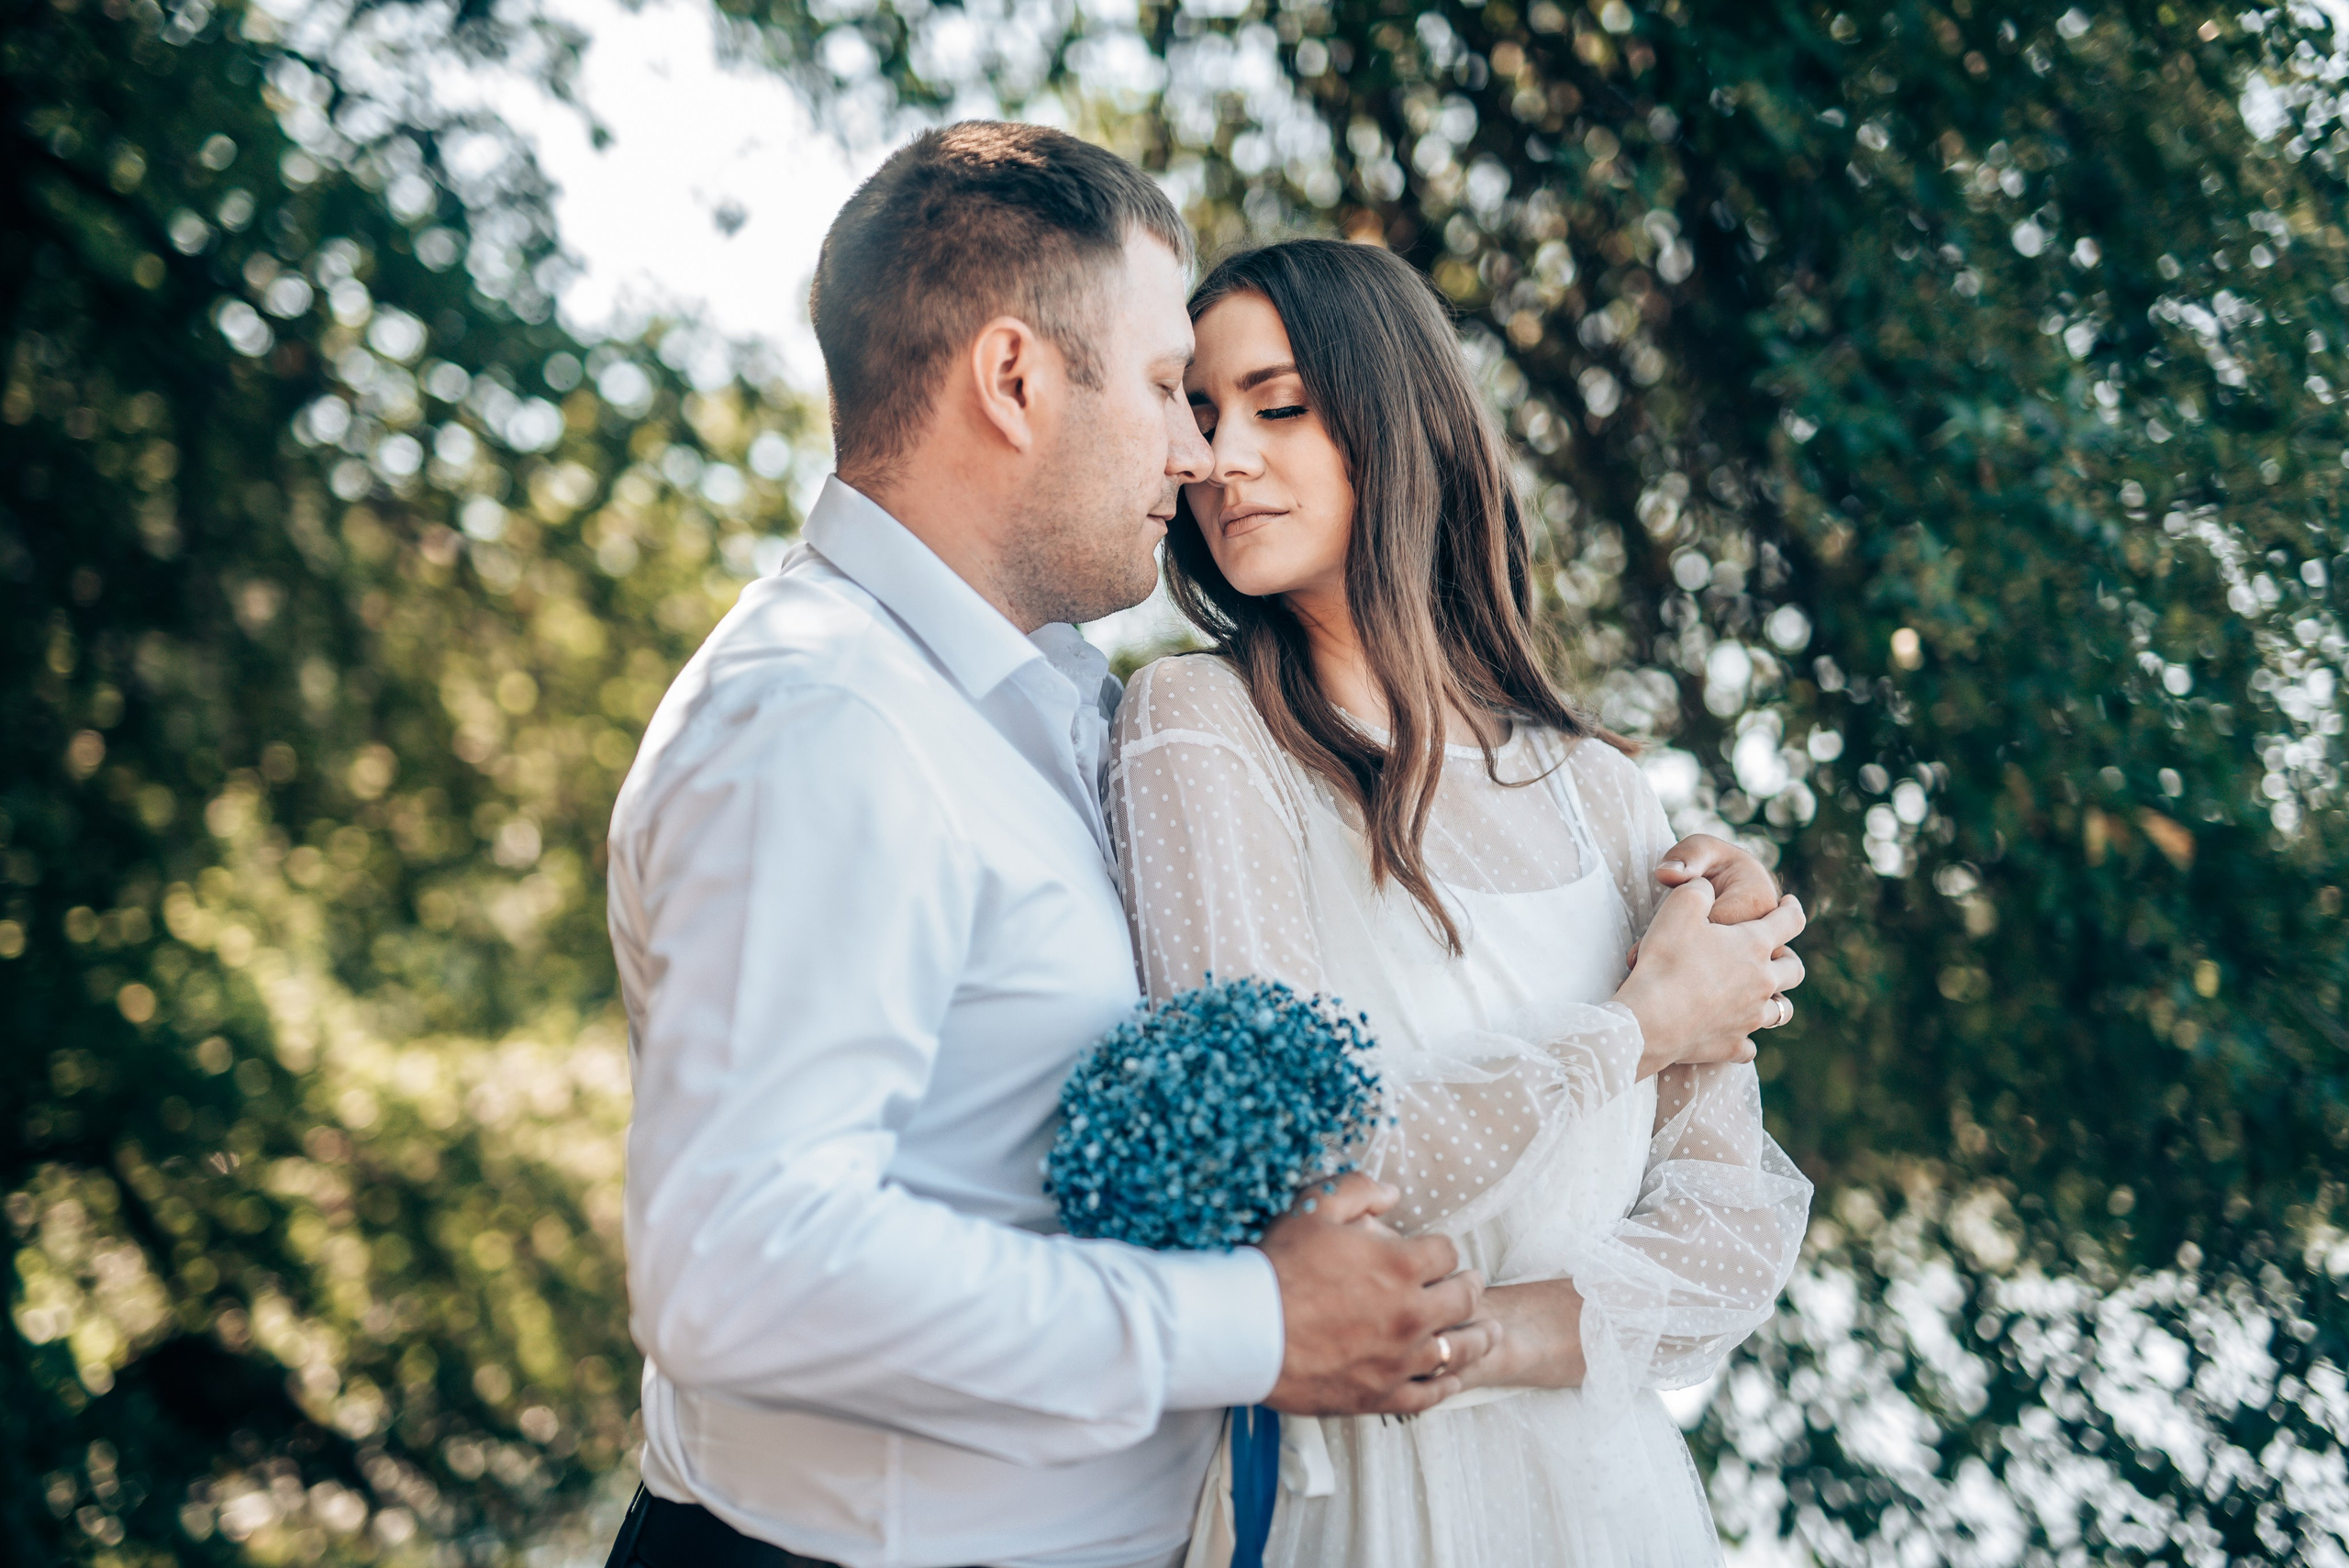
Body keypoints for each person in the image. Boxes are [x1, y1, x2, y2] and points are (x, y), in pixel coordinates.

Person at [600, 125, 1510, 1568]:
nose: (1196, 455)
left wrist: (1624, 878)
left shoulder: (1053, 706)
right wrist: (1255, 1323)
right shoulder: (822, 722)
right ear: (1015, 380)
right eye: (1164, 388)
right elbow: (741, 1265)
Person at [1108, 239, 1815, 1568]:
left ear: (1400, 417)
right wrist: (1637, 1029)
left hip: (1610, 1505)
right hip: (1358, 1503)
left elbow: (1730, 1232)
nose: (1217, 459)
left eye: (1277, 405)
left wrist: (1482, 1337)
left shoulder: (1607, 797)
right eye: (1200, 415)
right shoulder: (1197, 725)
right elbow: (1288, 1158)